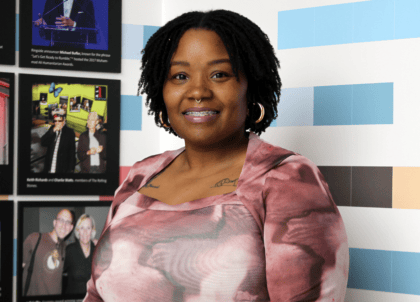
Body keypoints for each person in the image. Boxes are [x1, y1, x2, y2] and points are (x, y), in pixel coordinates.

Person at [84, 10, 349, 302]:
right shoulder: (140, 175)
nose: (198, 91)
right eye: (180, 76)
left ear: (251, 89)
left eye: (219, 74)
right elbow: (96, 293)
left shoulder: (286, 180)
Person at [22, 209, 74, 296]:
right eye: (61, 220)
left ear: (71, 228)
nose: (64, 225)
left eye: (68, 222)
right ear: (54, 223)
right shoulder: (34, 239)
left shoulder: (67, 248)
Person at [63, 214, 97, 294]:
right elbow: (58, 271)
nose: (85, 232)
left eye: (88, 228)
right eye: (82, 228)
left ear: (92, 230)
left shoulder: (97, 250)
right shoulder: (70, 250)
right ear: (78, 231)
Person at [41, 109, 76, 173]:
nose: (57, 123)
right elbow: (43, 142)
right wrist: (52, 131)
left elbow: (72, 153)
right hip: (50, 168)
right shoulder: (52, 129)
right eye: (55, 121)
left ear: (64, 120)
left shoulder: (70, 132)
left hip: (62, 169)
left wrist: (71, 170)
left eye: (59, 121)